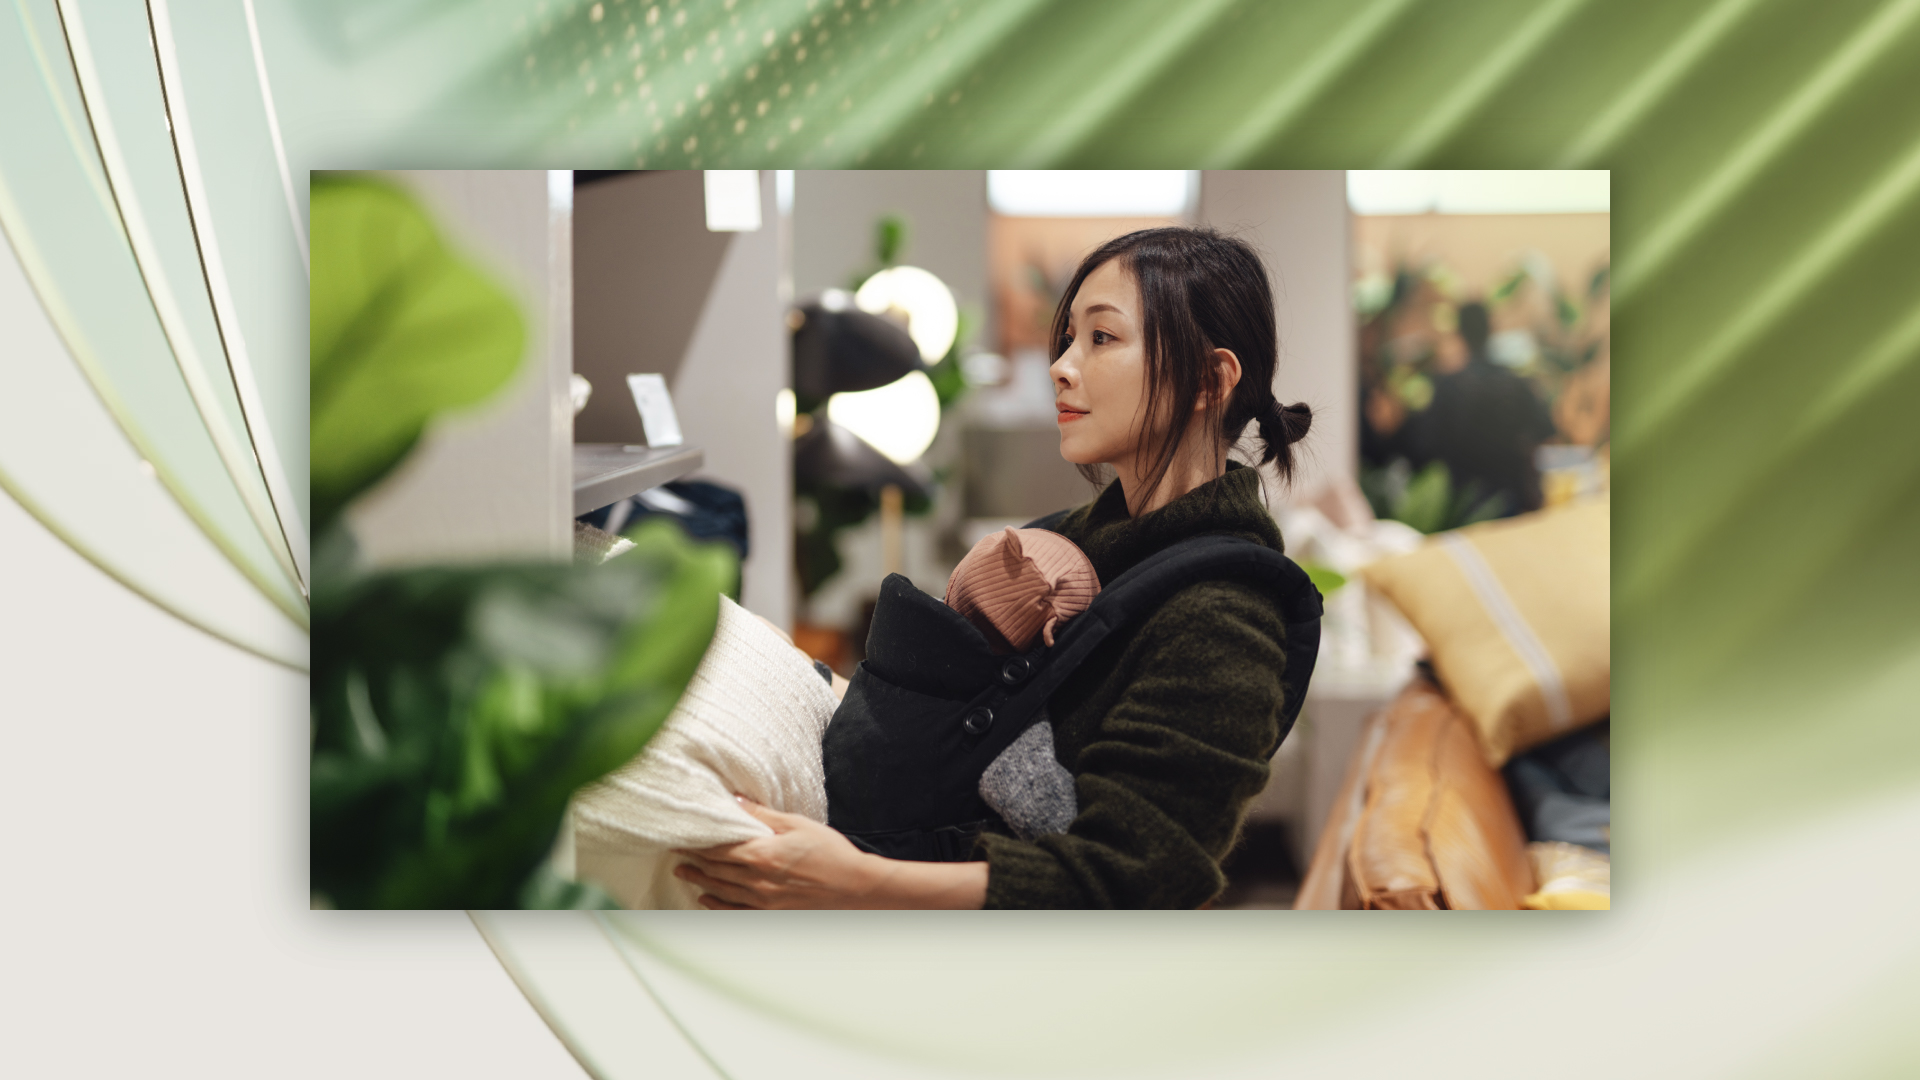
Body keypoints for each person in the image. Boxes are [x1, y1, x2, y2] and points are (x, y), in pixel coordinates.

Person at [674, 226, 1313, 908]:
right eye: (1068, 337)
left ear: (1210, 381)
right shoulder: (1064, 544)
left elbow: (1137, 879)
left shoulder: (1224, 616)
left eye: (1102, 338)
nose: (1061, 365)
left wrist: (855, 880)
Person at [1403, 301, 1556, 516]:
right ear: (1490, 330)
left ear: (1460, 333)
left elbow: (1424, 446)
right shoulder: (1515, 383)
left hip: (1463, 506)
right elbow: (1544, 431)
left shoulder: (1448, 387)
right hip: (1513, 500)